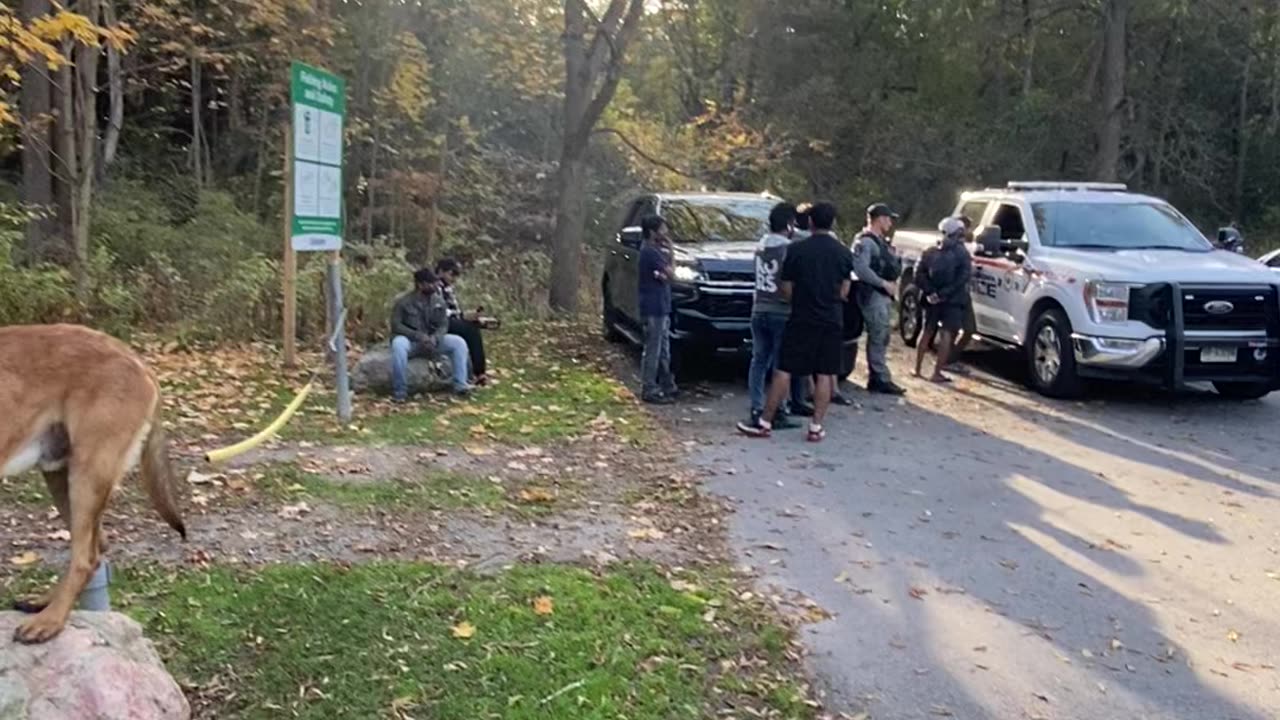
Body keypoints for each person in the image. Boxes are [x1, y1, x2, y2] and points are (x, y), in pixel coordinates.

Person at [737, 202, 854, 443]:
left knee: (783, 369)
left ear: (810, 223)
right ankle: (815, 427)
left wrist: (801, 300)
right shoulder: (843, 252)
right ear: (832, 223)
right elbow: (845, 290)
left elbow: (786, 286)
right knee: (824, 373)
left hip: (801, 316)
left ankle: (765, 421)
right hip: (831, 318)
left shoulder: (797, 250)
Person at [744, 202, 801, 429]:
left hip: (759, 307)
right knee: (781, 363)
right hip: (781, 310)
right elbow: (789, 283)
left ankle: (756, 405)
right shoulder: (789, 248)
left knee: (758, 360)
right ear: (789, 224)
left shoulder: (760, 247)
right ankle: (779, 408)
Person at [389, 268, 473, 401]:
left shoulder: (439, 301)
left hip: (433, 340)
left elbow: (443, 325)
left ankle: (460, 384)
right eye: (432, 283)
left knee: (458, 342)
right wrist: (417, 335)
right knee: (398, 345)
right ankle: (400, 391)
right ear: (420, 285)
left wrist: (436, 337)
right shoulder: (403, 302)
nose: (436, 286)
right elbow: (396, 325)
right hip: (412, 341)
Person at [852, 203, 907, 396]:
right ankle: (879, 377)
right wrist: (883, 283)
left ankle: (879, 375)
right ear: (879, 219)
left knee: (882, 335)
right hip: (873, 294)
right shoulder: (866, 242)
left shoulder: (879, 241)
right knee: (878, 335)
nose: (890, 222)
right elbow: (861, 269)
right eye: (888, 218)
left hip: (882, 295)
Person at [914, 216, 972, 383]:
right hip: (952, 301)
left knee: (927, 331)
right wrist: (943, 294)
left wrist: (930, 292)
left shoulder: (930, 250)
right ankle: (936, 373)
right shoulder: (962, 254)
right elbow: (963, 278)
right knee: (947, 334)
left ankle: (917, 369)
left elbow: (919, 274)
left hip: (931, 299)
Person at [637, 214, 679, 404]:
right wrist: (671, 251)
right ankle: (649, 387)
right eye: (662, 229)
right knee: (653, 348)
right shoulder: (650, 252)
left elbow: (665, 276)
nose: (666, 233)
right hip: (653, 307)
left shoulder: (653, 251)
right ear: (653, 232)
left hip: (661, 306)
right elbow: (671, 275)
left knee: (663, 347)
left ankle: (666, 383)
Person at [435, 258, 492, 386]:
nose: (454, 278)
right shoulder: (435, 287)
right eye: (451, 274)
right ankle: (479, 372)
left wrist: (470, 316)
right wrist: (462, 316)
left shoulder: (448, 289)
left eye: (456, 275)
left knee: (474, 326)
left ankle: (477, 371)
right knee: (471, 330)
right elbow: (438, 312)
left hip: (451, 320)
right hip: (439, 323)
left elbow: (454, 309)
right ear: (441, 271)